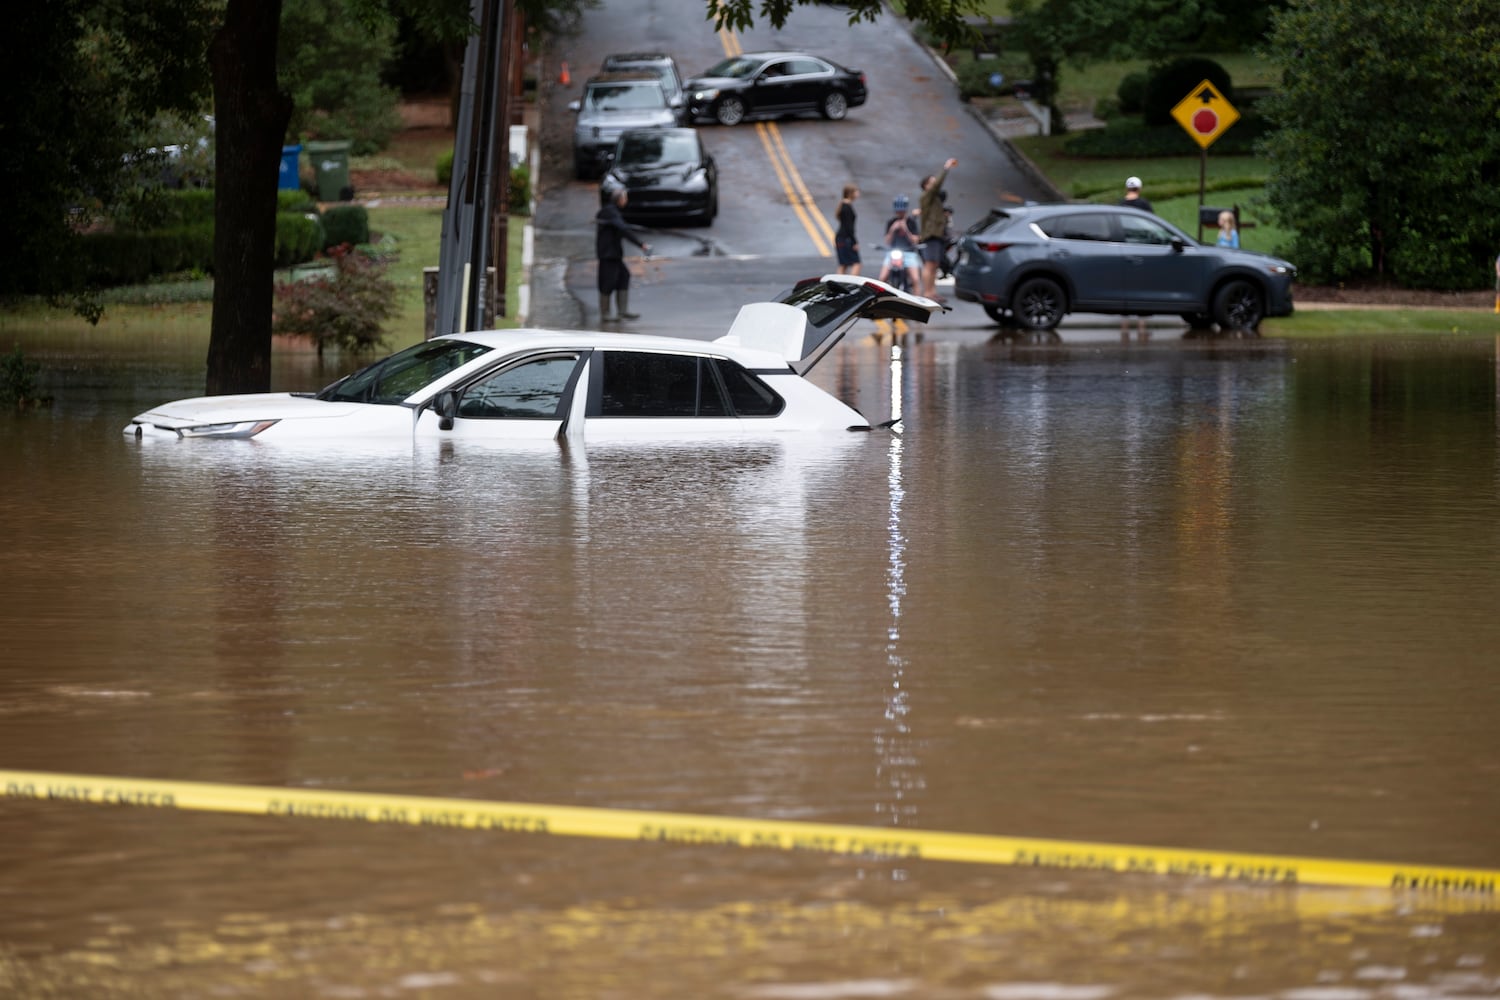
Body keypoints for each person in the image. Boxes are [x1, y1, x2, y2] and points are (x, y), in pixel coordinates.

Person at [595, 183, 650, 322]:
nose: (626, 201)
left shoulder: (612, 211)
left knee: (623, 276)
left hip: (613, 254)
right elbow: (623, 229)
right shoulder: (610, 212)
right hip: (608, 254)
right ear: (619, 199)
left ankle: (622, 311)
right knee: (607, 282)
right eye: (625, 198)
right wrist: (640, 244)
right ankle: (605, 314)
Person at [919, 158, 958, 300]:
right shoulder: (926, 196)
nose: (935, 183)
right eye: (932, 182)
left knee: (935, 264)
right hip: (930, 235)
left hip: (938, 235)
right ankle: (927, 292)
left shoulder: (935, 199)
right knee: (929, 264)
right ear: (926, 186)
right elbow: (937, 186)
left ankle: (932, 291)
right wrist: (946, 168)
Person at [877, 195, 921, 293]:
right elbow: (887, 241)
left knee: (915, 279)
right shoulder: (891, 222)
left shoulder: (911, 222)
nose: (900, 213)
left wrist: (906, 230)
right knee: (882, 278)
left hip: (908, 253)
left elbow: (915, 240)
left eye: (902, 211)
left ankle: (919, 301)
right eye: (898, 211)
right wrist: (893, 229)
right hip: (893, 253)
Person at [834, 184, 861, 275]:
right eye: (856, 192)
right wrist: (854, 242)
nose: (858, 194)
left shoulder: (843, 206)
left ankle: (837, 285)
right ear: (851, 193)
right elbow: (849, 227)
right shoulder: (847, 207)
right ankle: (851, 284)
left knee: (843, 264)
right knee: (856, 263)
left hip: (840, 238)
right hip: (846, 239)